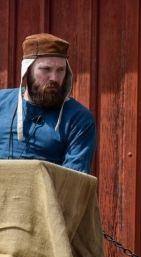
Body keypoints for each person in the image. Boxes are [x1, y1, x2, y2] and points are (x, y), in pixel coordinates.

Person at [0, 33, 96, 173]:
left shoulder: (78, 119)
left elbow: (73, 182)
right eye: (46, 69)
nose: (55, 78)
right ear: (28, 71)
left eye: (60, 70)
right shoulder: (2, 103)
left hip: (46, 194)